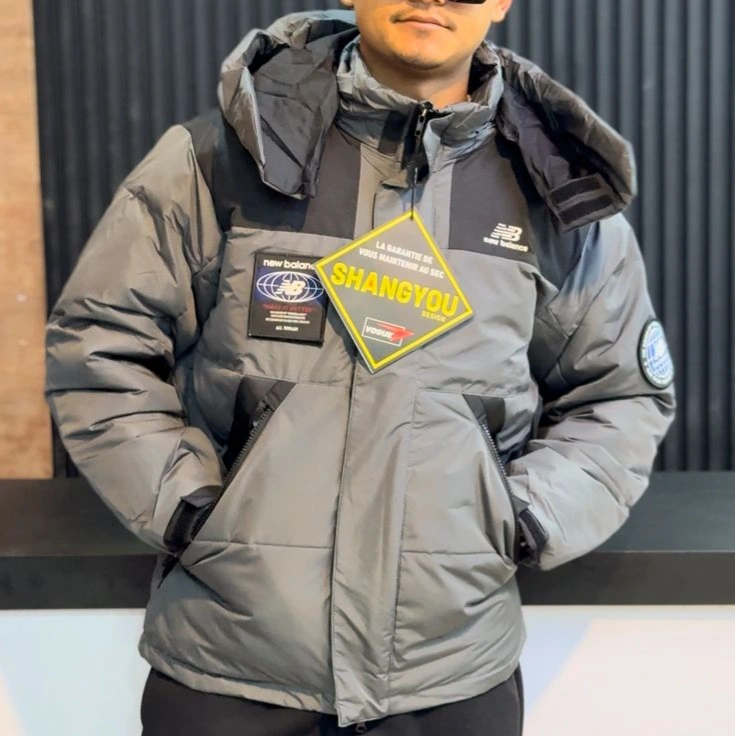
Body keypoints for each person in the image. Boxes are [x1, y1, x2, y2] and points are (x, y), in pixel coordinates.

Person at [44, 1, 676, 734]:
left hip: (447, 674)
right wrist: (190, 509)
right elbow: (101, 346)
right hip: (226, 666)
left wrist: (522, 519)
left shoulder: (555, 189)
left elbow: (620, 395)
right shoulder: (220, 158)